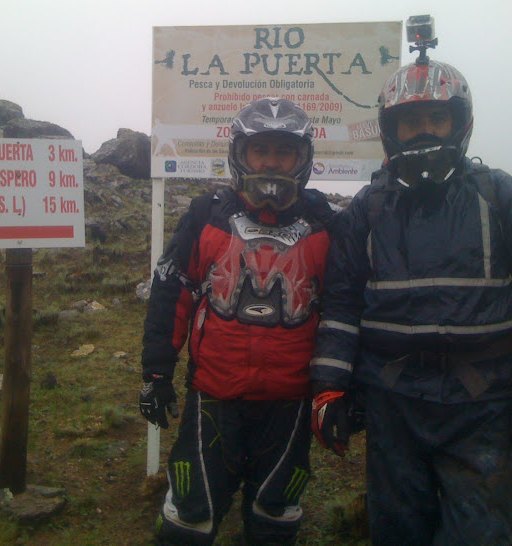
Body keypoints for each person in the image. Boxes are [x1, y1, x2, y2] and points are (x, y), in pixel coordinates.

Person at [310, 52, 512, 545]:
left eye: (437, 117)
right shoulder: (369, 206)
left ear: (460, 123)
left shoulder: (499, 194)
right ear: (392, 128)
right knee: (397, 530)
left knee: (480, 534)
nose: (425, 129)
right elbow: (341, 302)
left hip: (483, 402)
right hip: (392, 402)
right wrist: (329, 386)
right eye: (411, 120)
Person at [139, 97, 335, 544]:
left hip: (291, 400)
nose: (271, 162)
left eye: (284, 151)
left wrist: (341, 385)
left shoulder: (325, 224)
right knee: (190, 510)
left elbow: (343, 309)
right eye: (260, 150)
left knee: (275, 512)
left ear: (303, 159)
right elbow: (172, 292)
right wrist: (155, 371)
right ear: (239, 154)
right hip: (213, 394)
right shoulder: (207, 214)